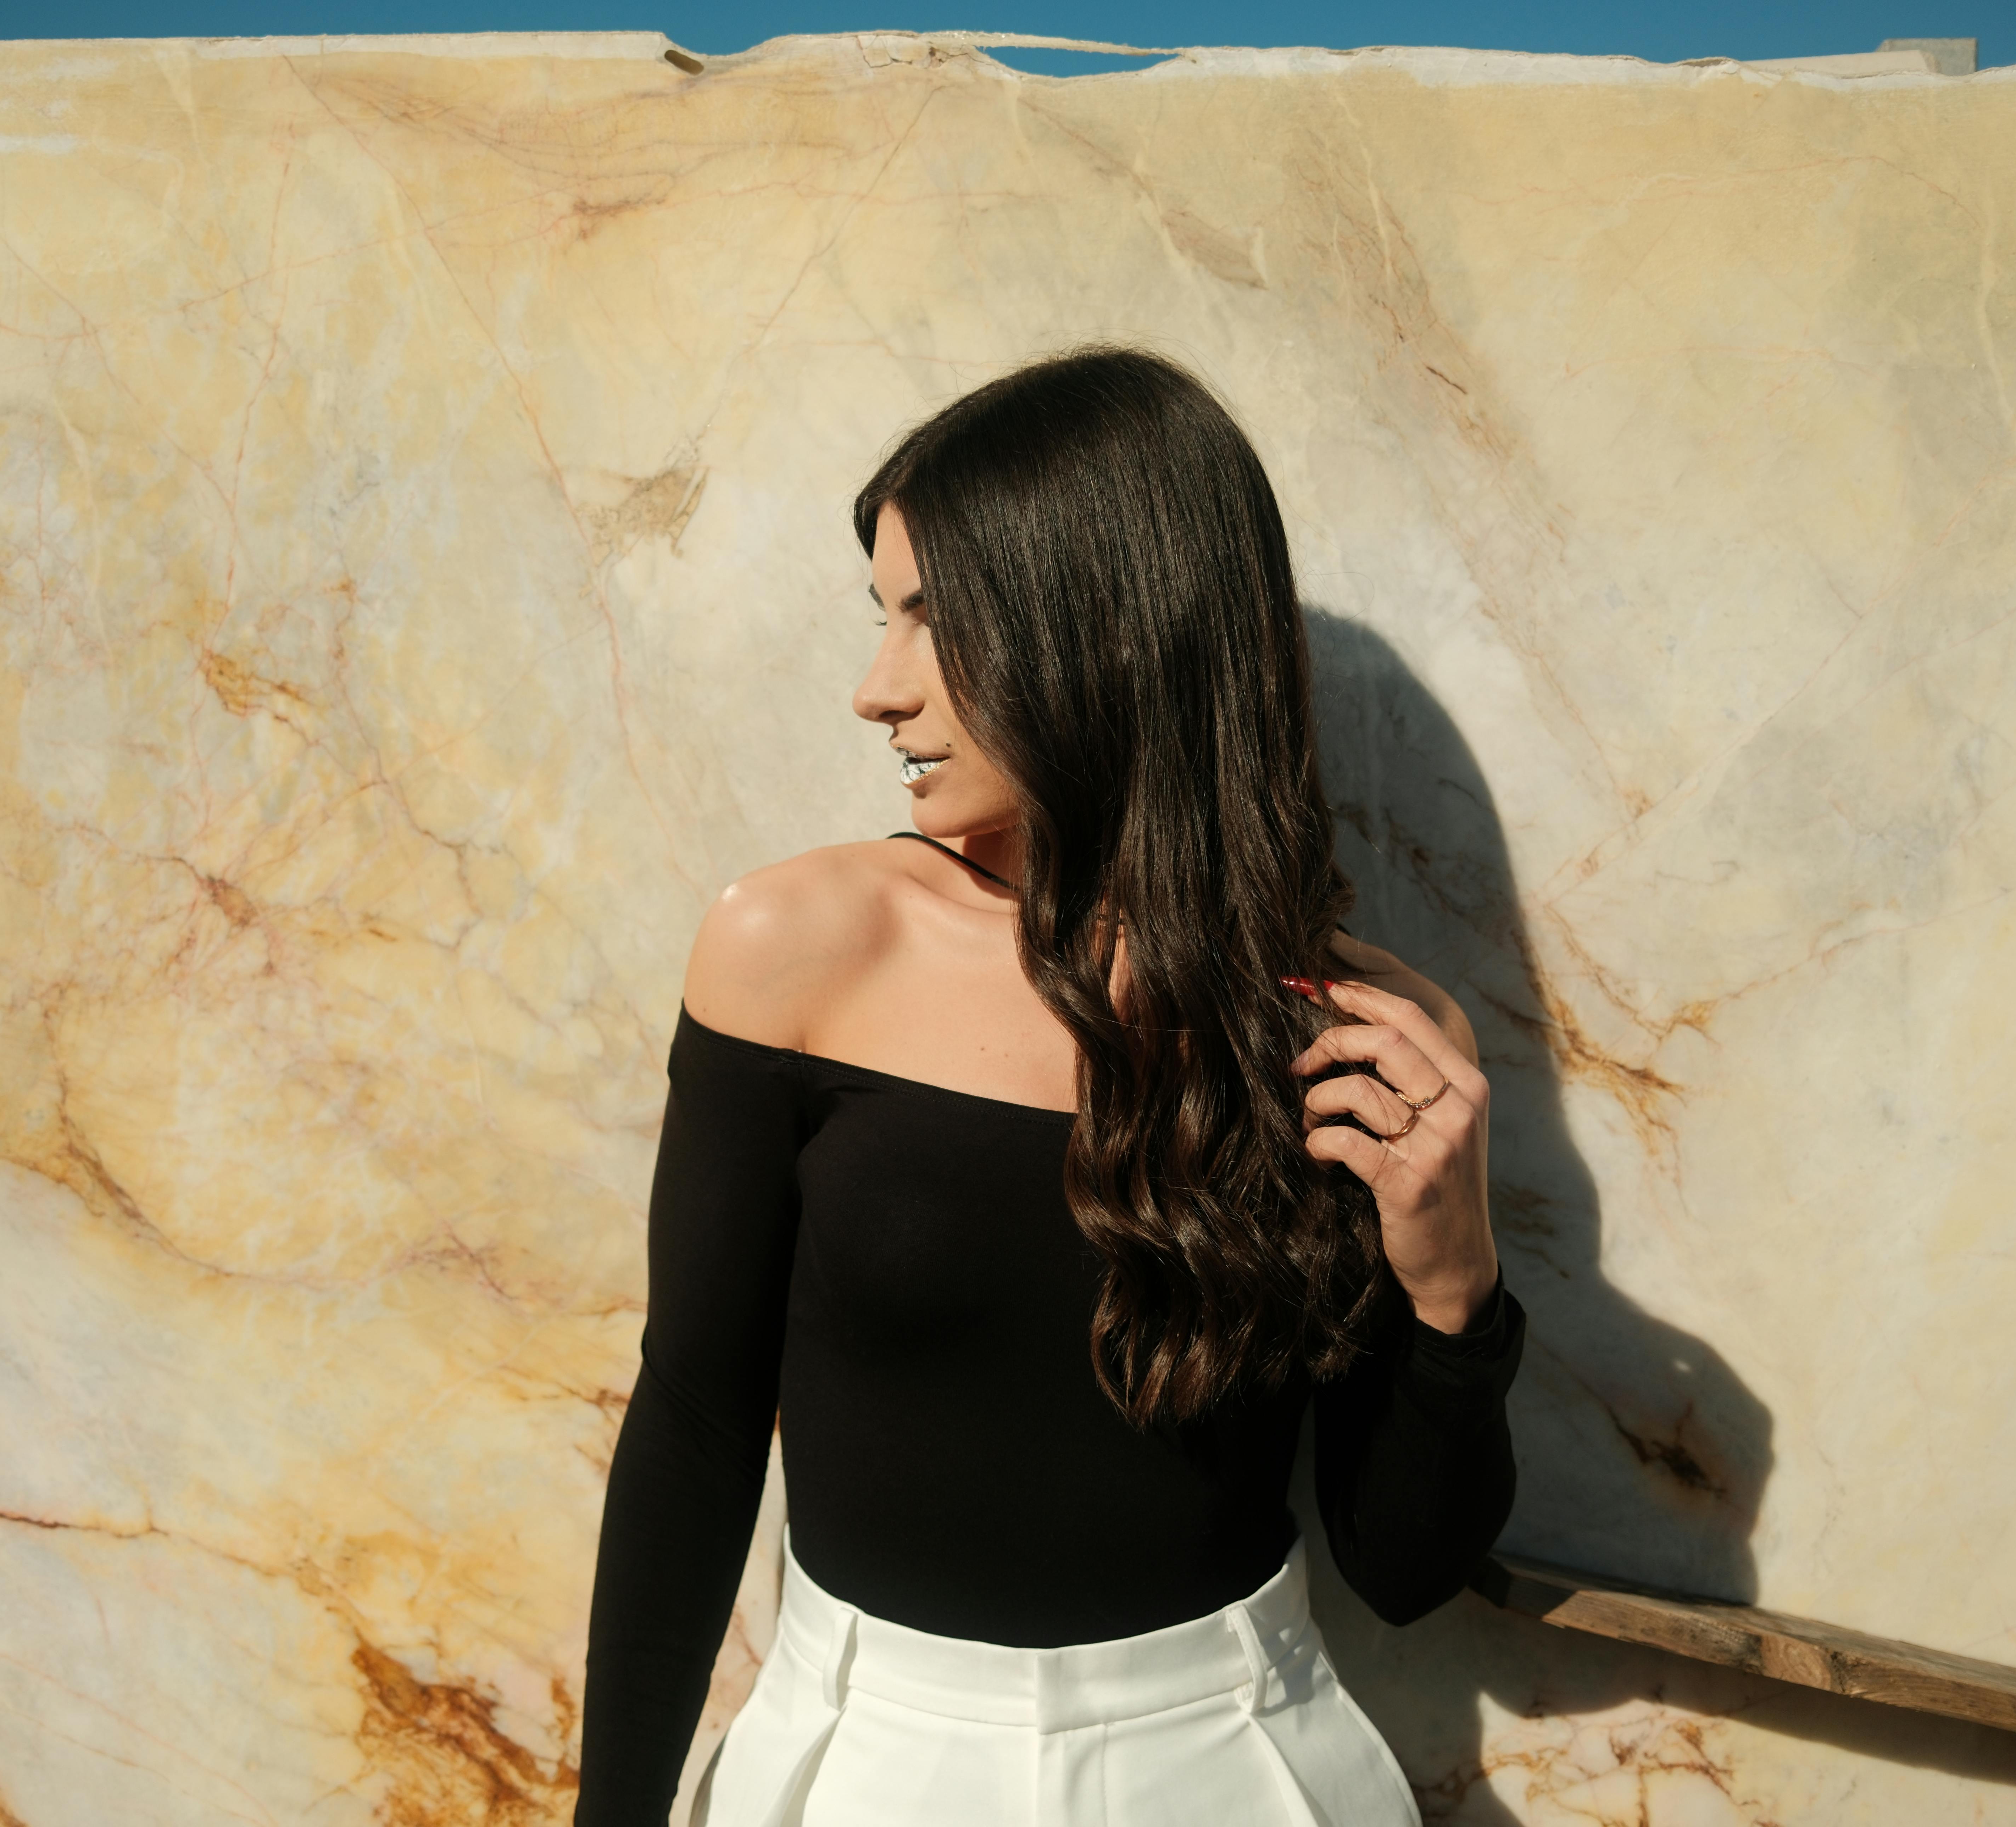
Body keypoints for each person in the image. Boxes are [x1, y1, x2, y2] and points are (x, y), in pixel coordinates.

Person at [577, 347, 1522, 1826]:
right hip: (865, 1758)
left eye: (934, 624)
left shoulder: (1360, 1031)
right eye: (883, 618)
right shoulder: (796, 950)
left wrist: (1454, 1291)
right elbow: (694, 1426)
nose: (874, 691)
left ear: (1113, 628)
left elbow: (1404, 1568)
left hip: (1237, 1760)